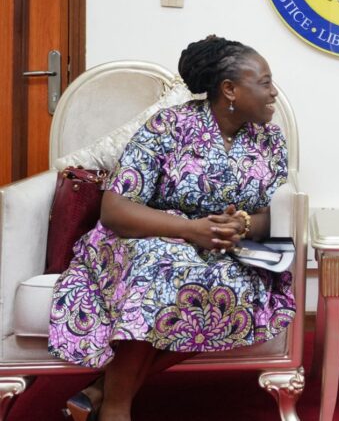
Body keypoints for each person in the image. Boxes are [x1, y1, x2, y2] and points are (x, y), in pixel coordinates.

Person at [48, 35, 295, 421]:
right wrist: (191, 229)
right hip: (142, 239)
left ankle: (99, 391)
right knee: (160, 268)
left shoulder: (269, 140)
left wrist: (243, 223)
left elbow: (271, 214)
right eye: (264, 82)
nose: (273, 91)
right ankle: (117, 408)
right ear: (229, 89)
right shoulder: (169, 126)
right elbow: (115, 209)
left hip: (226, 249)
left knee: (223, 286)